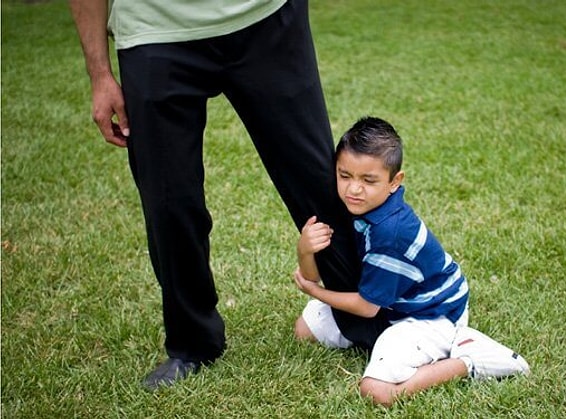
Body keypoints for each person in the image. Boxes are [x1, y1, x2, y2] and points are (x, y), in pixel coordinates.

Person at [69, 0, 389, 390]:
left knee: (317, 184)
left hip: (265, 16)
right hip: (154, 32)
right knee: (169, 202)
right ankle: (192, 343)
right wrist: (99, 73)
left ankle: (372, 319)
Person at [293, 116, 530, 406]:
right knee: (304, 330)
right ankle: (385, 344)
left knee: (377, 391)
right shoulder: (353, 207)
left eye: (369, 180)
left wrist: (315, 293)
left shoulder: (390, 234)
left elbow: (365, 308)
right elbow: (311, 276)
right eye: (345, 176)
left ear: (395, 182)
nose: (353, 189)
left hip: (429, 314)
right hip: (391, 304)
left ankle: (469, 358)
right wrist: (305, 249)